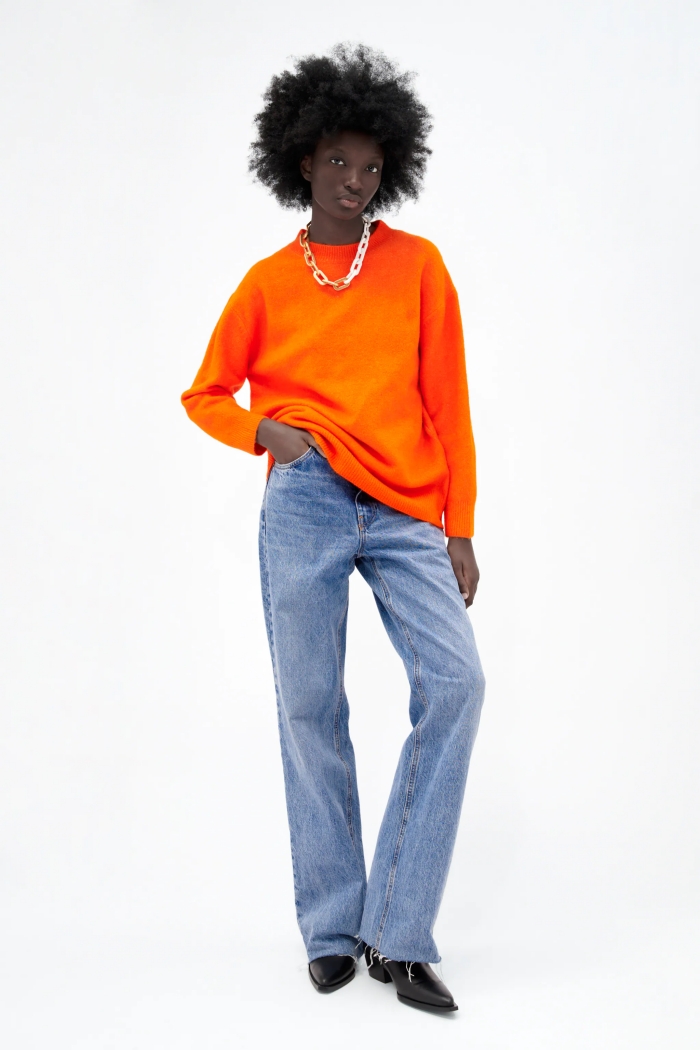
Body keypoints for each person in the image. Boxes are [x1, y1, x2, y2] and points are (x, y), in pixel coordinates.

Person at [181, 44, 485, 1014]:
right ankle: (328, 926)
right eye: (339, 161)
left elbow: (448, 402)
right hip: (305, 498)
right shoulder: (267, 283)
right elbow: (204, 393)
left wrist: (459, 525)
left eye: (372, 165)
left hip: (403, 504)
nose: (356, 180)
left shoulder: (418, 267)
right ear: (302, 160)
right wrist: (264, 432)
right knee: (310, 710)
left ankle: (398, 931)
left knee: (457, 683)